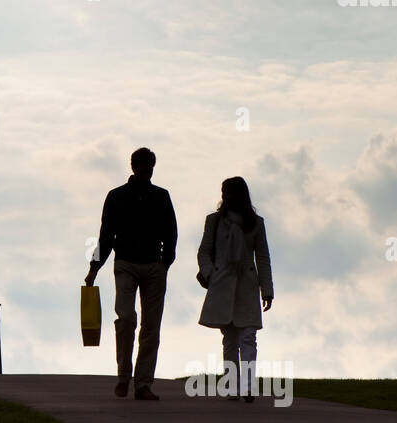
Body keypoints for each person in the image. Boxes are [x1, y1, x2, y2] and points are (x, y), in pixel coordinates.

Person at [84, 147, 178, 400]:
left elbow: (171, 233)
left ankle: (143, 383)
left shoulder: (161, 196)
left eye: (150, 166)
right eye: (143, 165)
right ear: (133, 166)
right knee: (125, 318)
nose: (147, 170)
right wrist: (94, 268)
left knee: (151, 327)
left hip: (154, 266)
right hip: (125, 263)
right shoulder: (116, 196)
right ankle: (124, 375)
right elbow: (105, 236)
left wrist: (164, 263)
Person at [197, 177, 274, 401]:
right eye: (223, 192)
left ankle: (248, 387)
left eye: (229, 192)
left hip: (247, 286)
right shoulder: (214, 221)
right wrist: (211, 273)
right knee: (230, 339)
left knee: (248, 337)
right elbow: (204, 252)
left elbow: (263, 257)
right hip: (222, 284)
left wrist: (267, 289)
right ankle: (232, 386)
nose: (225, 196)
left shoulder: (256, 223)